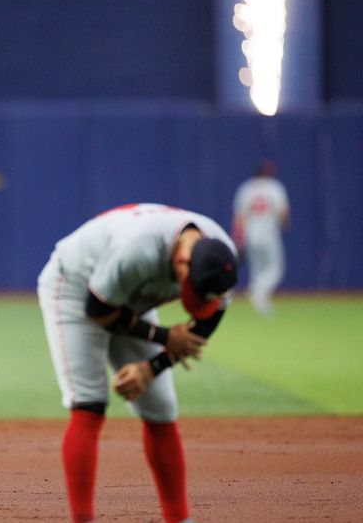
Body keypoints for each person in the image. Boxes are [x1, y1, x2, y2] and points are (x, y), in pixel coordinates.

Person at [37, 203, 238, 523]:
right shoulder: (139, 251)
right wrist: (161, 336)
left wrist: (151, 368)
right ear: (182, 262)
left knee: (160, 407)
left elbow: (201, 328)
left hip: (129, 294)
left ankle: (179, 519)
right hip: (76, 288)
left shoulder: (219, 257)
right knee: (89, 403)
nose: (197, 299)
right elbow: (98, 311)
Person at [232, 160, 290, 316]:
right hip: (269, 234)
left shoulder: (246, 189)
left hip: (250, 235)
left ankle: (260, 302)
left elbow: (239, 216)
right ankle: (258, 292)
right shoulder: (274, 187)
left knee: (257, 270)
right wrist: (284, 224)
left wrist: (238, 237)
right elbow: (283, 212)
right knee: (276, 268)